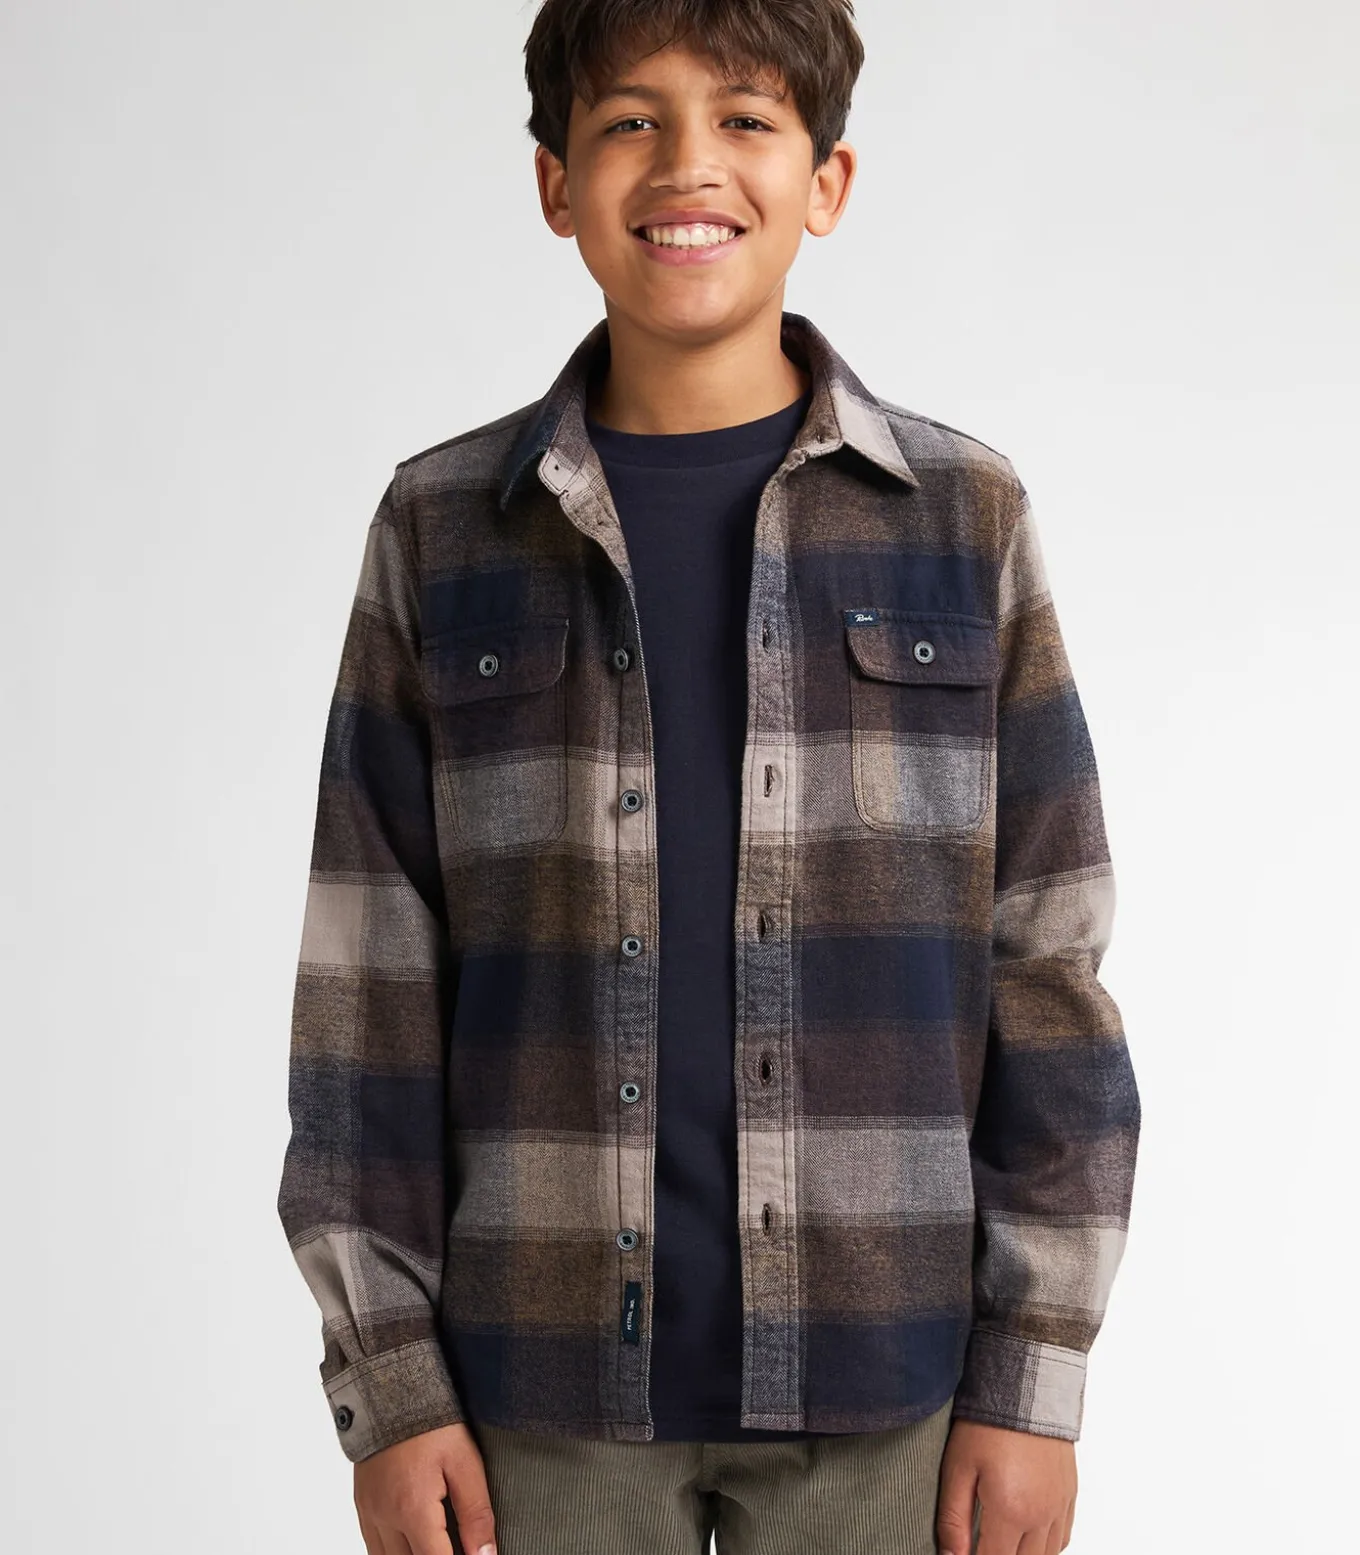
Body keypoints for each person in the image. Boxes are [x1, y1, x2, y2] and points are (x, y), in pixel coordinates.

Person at [275, 3, 1141, 1553]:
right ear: (556, 183)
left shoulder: (965, 520)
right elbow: (367, 983)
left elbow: (1049, 965)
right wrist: (391, 1385)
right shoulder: (441, 530)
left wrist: (1033, 1378)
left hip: (892, 1385)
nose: (689, 164)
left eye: (746, 118)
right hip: (535, 1395)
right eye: (631, 120)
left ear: (828, 180)